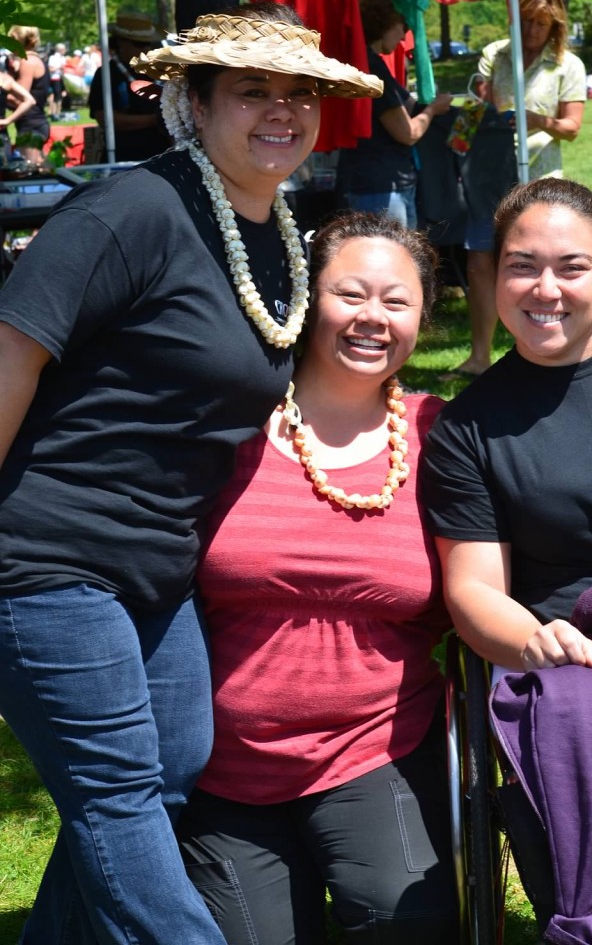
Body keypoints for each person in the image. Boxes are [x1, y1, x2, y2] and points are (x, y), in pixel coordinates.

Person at [0, 2, 380, 945]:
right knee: (118, 794)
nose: (281, 111)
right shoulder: (128, 213)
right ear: (194, 104)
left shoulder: (277, 231)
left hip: (159, 566)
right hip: (48, 554)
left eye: (301, 94)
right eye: (252, 91)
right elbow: (11, 356)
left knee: (168, 772)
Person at [177, 211, 456, 945]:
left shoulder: (444, 437)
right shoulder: (226, 426)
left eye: (396, 301)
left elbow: (562, 500)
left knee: (406, 926)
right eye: (350, 294)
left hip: (377, 746)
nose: (373, 317)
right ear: (305, 303)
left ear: (422, 318)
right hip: (224, 764)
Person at [424, 177, 592, 945]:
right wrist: (533, 641)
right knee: (570, 706)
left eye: (570, 266)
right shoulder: (468, 429)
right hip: (574, 642)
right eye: (521, 266)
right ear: (492, 275)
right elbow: (473, 590)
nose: (545, 289)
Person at [446, 0, 586, 381]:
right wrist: (464, 131)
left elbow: (572, 128)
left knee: (536, 267)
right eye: (525, 22)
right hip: (489, 174)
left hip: (539, 179)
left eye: (541, 24)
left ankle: (540, 354)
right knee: (480, 261)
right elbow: (476, 109)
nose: (532, 31)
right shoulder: (496, 54)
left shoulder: (568, 65)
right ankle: (479, 356)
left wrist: (535, 120)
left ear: (555, 25)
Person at [337, 0, 452, 229]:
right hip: (381, 187)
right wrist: (433, 110)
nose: (403, 37)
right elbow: (407, 133)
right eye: (403, 27)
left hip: (386, 184)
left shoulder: (369, 62)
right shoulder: (371, 68)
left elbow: (402, 106)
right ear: (387, 21)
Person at [88, 11, 172, 162]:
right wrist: (154, 120)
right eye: (139, 44)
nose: (145, 49)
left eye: (148, 44)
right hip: (123, 157)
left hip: (162, 155)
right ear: (121, 42)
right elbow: (106, 119)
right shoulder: (106, 75)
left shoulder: (160, 72)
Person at [6, 25, 50, 164]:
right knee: (37, 167)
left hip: (31, 125)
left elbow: (18, 99)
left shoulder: (28, 62)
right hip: (33, 123)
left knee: (30, 170)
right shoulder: (33, 59)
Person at [0, 69, 37, 165]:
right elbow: (30, 100)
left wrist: (8, 120)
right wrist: (8, 121)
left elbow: (30, 101)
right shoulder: (4, 79)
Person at [47, 41, 67, 119]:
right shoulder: (53, 58)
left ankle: (58, 112)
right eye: (64, 49)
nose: (65, 51)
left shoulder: (63, 58)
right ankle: (54, 113)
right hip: (54, 79)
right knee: (55, 96)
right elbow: (50, 69)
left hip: (60, 78)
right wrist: (59, 67)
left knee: (60, 96)